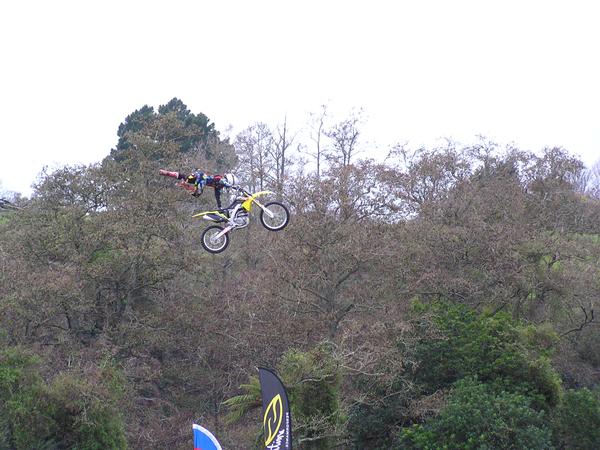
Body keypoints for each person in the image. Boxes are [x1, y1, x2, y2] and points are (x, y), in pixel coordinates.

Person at [159, 169, 237, 209]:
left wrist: (220, 207)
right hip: (201, 178)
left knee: (184, 177)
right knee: (197, 194)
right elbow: (222, 181)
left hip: (198, 176)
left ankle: (167, 173)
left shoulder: (218, 186)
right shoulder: (220, 178)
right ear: (229, 180)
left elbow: (217, 195)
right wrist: (232, 186)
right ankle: (184, 185)